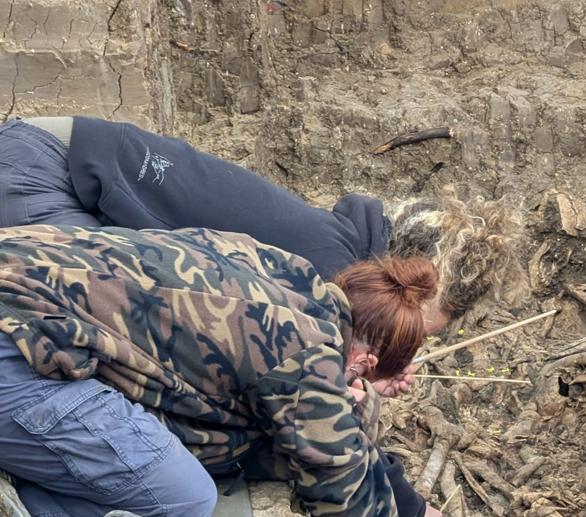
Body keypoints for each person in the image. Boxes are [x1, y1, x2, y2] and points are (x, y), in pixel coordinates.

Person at [0, 224, 446, 517]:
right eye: (359, 381)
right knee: (182, 500)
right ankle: (14, 499)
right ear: (362, 363)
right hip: (16, 350)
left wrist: (408, 508)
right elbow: (332, 467)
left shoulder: (288, 275)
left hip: (26, 297)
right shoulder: (304, 355)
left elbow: (327, 433)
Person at [0, 116, 521, 351]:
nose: (396, 344)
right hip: (46, 170)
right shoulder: (326, 266)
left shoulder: (337, 245)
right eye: (408, 330)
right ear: (417, 275)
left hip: (60, 165)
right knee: (97, 323)